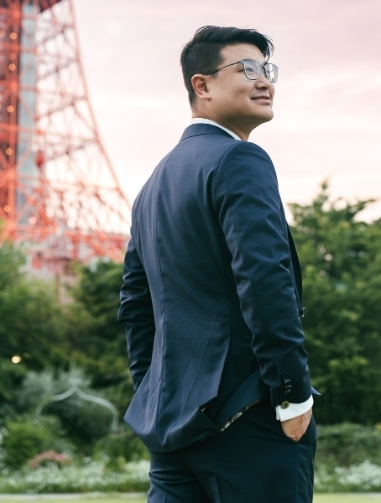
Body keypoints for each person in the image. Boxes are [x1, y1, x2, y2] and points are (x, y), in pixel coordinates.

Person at [118, 25, 315, 502]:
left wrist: (157, 391)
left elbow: (135, 306)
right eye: (247, 68)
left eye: (267, 69)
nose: (264, 80)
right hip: (248, 417)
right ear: (200, 86)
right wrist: (291, 392)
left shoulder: (151, 187)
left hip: (174, 427)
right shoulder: (239, 159)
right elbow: (266, 279)